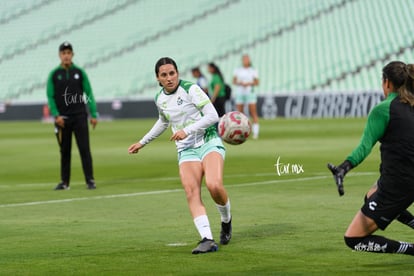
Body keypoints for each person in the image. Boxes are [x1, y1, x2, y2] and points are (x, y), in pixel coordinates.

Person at [128, 57, 232, 254]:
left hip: (208, 141)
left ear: (177, 73)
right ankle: (207, 239)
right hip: (186, 149)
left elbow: (213, 116)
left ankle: (226, 221)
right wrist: (142, 142)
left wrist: (188, 130)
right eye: (164, 75)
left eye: (172, 73)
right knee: (191, 191)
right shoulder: (159, 98)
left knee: (214, 185)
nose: (169, 78)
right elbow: (163, 122)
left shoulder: (191, 89)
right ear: (158, 78)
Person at [328, 61, 414, 256]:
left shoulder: (384, 109)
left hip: (399, 184)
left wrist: (344, 167)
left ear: (387, 83)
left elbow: (365, 146)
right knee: (370, 195)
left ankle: (411, 250)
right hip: (405, 180)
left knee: (353, 239)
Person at [46, 41, 98, 190]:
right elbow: (50, 96)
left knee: (84, 149)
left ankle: (90, 180)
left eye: (69, 53)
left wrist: (93, 114)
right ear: (59, 55)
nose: (66, 56)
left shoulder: (79, 73)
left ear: (72, 55)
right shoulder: (54, 74)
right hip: (62, 119)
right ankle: (65, 182)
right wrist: (56, 115)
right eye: (64, 53)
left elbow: (89, 93)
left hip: (80, 117)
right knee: (65, 151)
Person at [233, 54, 259, 139]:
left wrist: (248, 83)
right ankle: (242, 132)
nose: (245, 61)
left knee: (253, 112)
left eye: (247, 59)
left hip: (249, 92)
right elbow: (234, 81)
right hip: (240, 92)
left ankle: (255, 132)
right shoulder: (238, 70)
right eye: (244, 59)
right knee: (240, 114)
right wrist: (240, 83)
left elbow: (256, 82)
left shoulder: (253, 70)